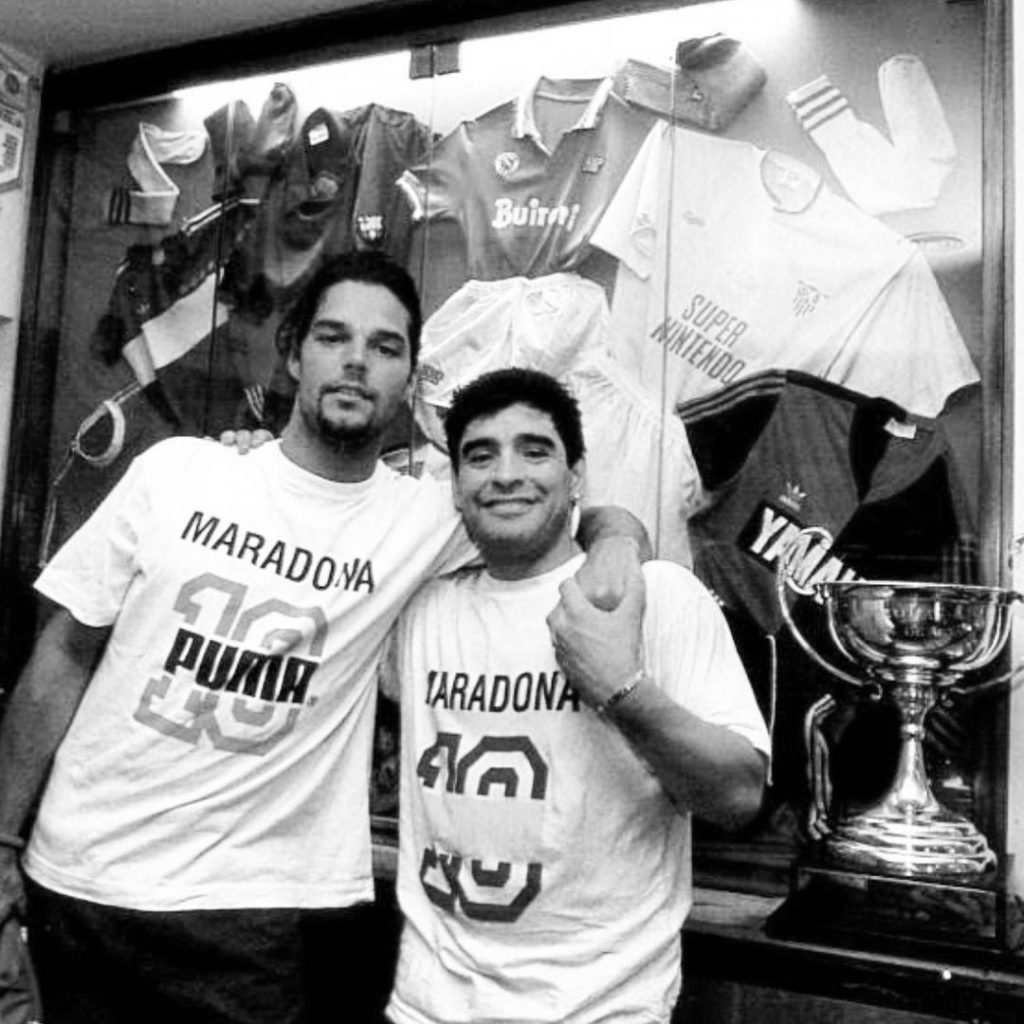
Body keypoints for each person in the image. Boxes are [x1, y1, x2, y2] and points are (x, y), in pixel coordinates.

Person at [0, 253, 644, 1024]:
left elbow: (549, 507)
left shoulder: (425, 518)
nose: (356, 361)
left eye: (385, 346)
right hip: (75, 886)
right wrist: (2, 841)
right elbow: (64, 654)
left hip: (251, 913)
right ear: (293, 354)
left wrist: (616, 537)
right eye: (334, 337)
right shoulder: (178, 472)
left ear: (411, 377)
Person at [382, 367, 770, 1024]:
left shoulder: (653, 597)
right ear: (456, 484)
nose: (507, 474)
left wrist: (623, 693)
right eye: (481, 455)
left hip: (597, 1009)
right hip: (426, 1006)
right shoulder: (419, 608)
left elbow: (738, 796)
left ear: (576, 475)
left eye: (535, 451)